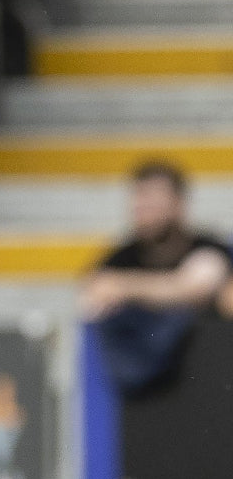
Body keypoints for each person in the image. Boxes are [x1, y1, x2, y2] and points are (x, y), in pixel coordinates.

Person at [81, 161, 232, 395]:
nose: (145, 210)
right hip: (143, 394)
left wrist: (128, 289)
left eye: (154, 201)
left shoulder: (209, 247)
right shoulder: (119, 258)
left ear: (178, 204)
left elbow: (202, 285)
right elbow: (93, 297)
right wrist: (177, 291)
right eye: (140, 201)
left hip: (212, 383)